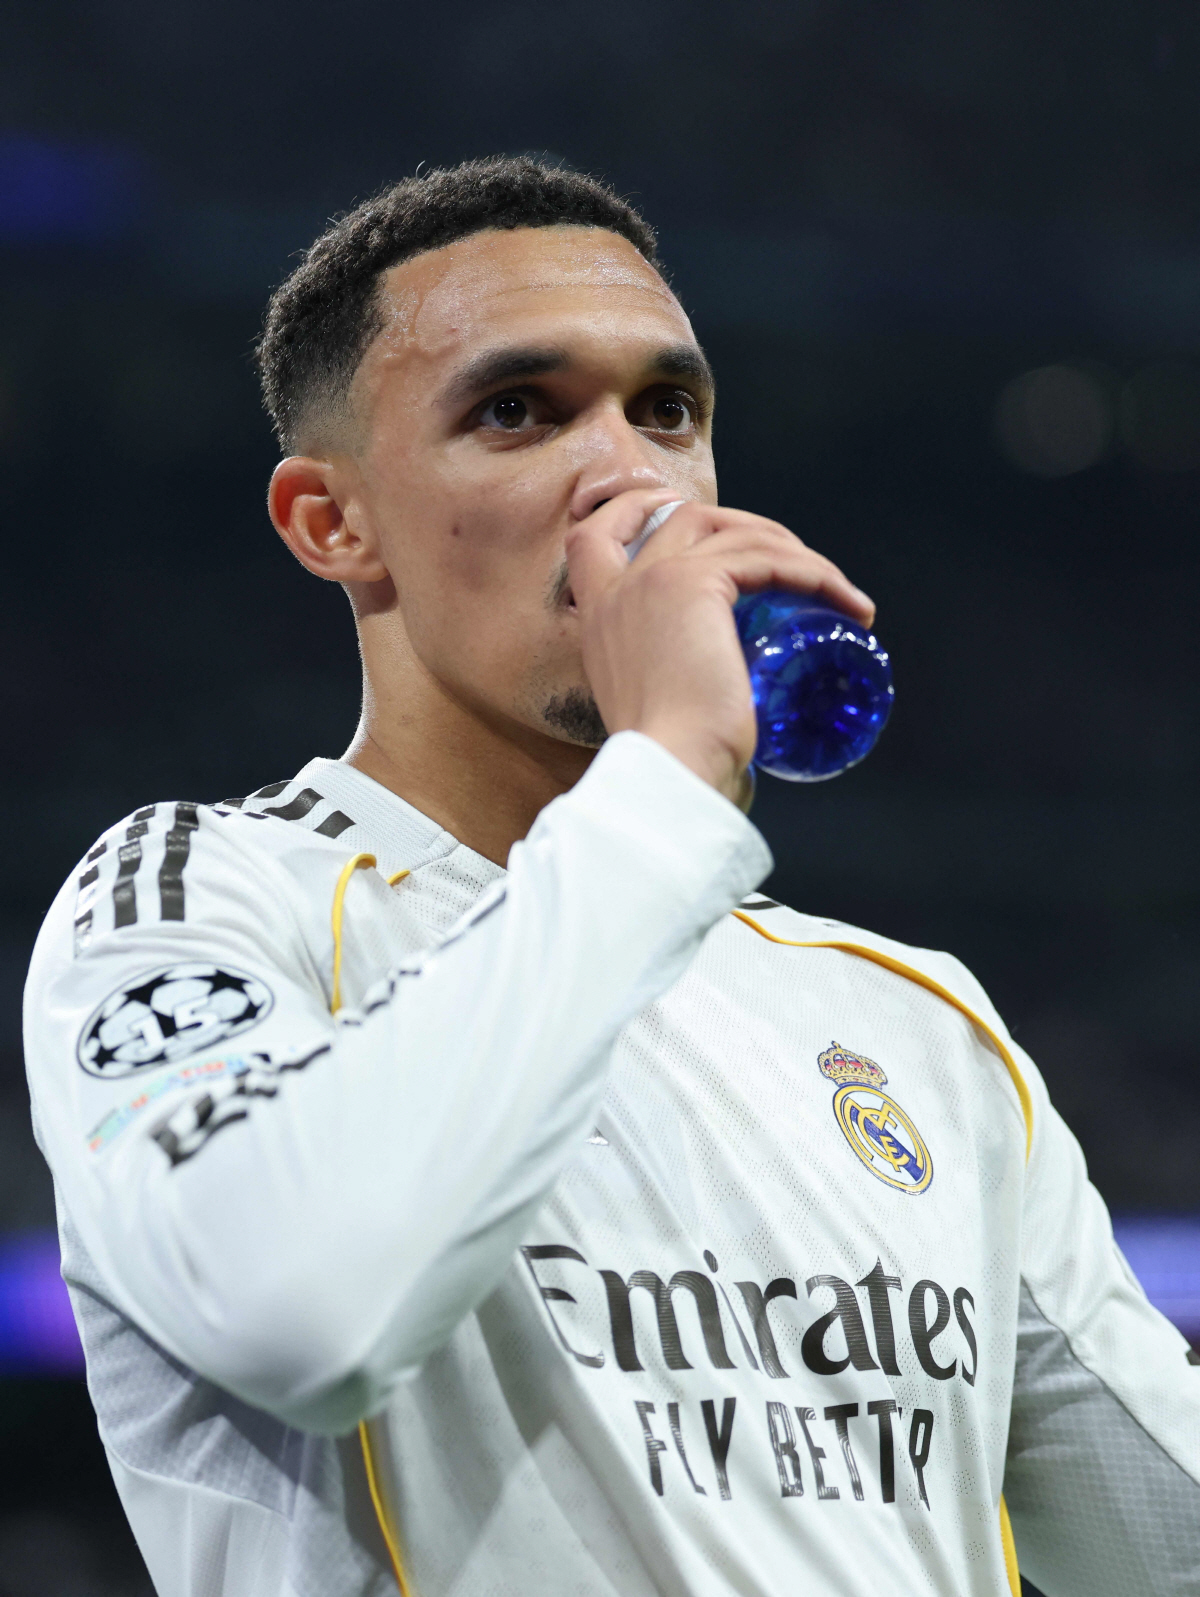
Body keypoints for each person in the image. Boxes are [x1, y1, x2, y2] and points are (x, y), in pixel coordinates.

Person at [24, 156, 1199, 1597]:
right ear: (335, 522)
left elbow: (1160, 1535)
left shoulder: (919, 1028)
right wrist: (671, 770)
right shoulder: (203, 897)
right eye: (517, 410)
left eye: (669, 410)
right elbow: (297, 1308)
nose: (630, 474)